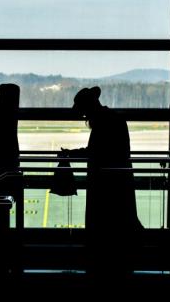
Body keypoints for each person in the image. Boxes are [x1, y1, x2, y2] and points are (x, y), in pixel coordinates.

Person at [60, 86, 142, 279]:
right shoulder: (113, 118)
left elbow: (95, 152)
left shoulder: (102, 122)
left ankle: (104, 265)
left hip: (106, 183)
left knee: (105, 224)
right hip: (118, 180)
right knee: (120, 221)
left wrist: (71, 153)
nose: (83, 116)